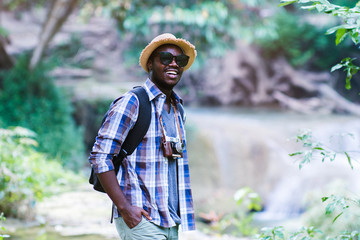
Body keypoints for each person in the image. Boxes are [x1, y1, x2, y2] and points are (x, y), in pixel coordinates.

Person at [88, 33, 197, 240]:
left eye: (179, 60)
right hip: (142, 219)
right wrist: (125, 208)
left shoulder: (177, 109)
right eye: (165, 58)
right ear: (150, 64)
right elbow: (100, 157)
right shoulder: (132, 102)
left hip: (171, 220)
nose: (173, 64)